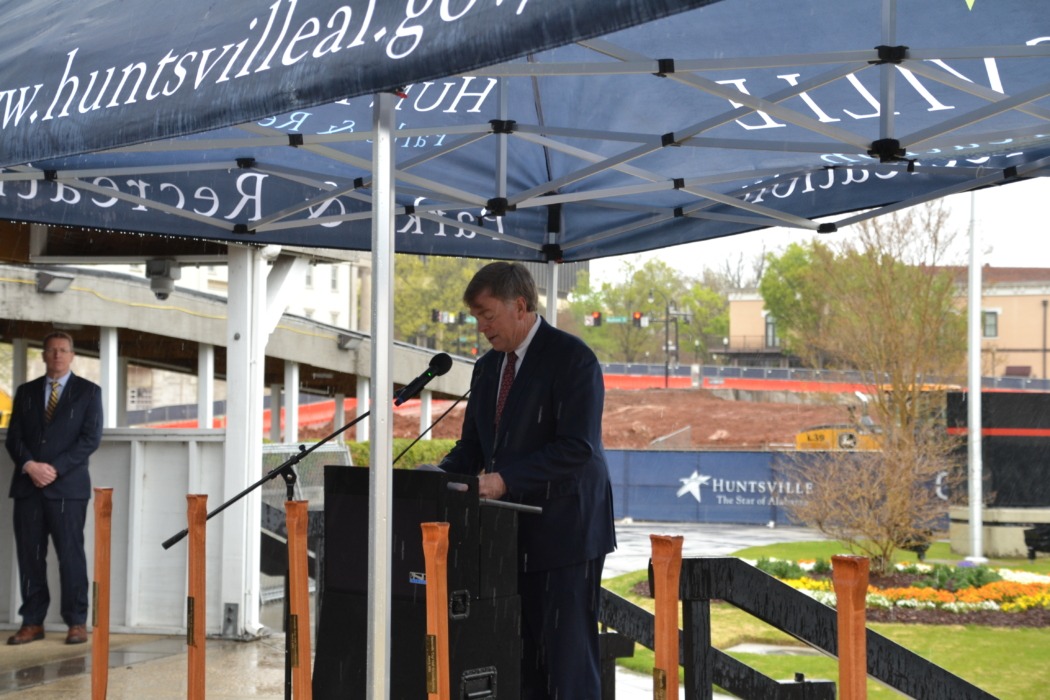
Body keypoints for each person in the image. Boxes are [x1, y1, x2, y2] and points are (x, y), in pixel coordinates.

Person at [438, 262, 616, 699]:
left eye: (487, 314)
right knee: (519, 662)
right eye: (476, 317)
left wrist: (504, 481)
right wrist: (434, 479)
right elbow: (473, 451)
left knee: (567, 661)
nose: (481, 327)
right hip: (507, 538)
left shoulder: (572, 359)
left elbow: (578, 448)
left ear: (520, 305)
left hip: (566, 534)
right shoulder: (485, 369)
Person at [6, 331, 103, 645]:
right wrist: (30, 465)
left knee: (70, 555)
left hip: (68, 490)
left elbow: (90, 439)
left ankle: (76, 621)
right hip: (28, 487)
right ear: (44, 355)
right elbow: (14, 438)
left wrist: (54, 468)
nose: (57, 355)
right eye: (51, 351)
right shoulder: (26, 392)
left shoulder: (89, 392)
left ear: (72, 355)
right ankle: (32, 621)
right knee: (30, 556)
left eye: (63, 350)